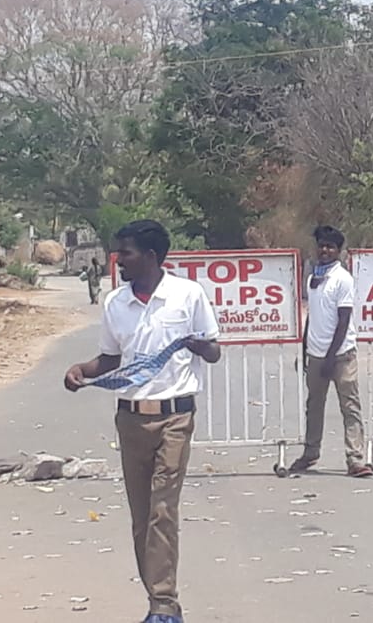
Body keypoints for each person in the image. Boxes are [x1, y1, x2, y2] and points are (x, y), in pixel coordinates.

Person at [63, 220, 221, 623]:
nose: (118, 260)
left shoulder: (188, 296)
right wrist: (83, 370)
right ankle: (156, 597)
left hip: (175, 417)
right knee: (141, 518)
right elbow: (111, 359)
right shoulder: (115, 303)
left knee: (162, 512)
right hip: (131, 419)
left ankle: (165, 604)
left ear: (151, 256)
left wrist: (197, 344)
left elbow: (214, 351)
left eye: (126, 253)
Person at [290, 225, 373, 477]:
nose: (325, 250)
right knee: (313, 406)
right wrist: (305, 352)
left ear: (339, 251)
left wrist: (330, 357)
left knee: (350, 406)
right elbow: (312, 317)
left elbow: (344, 319)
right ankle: (310, 453)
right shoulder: (312, 277)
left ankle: (356, 458)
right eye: (322, 246)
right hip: (315, 354)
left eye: (330, 247)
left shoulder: (343, 279)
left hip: (341, 355)